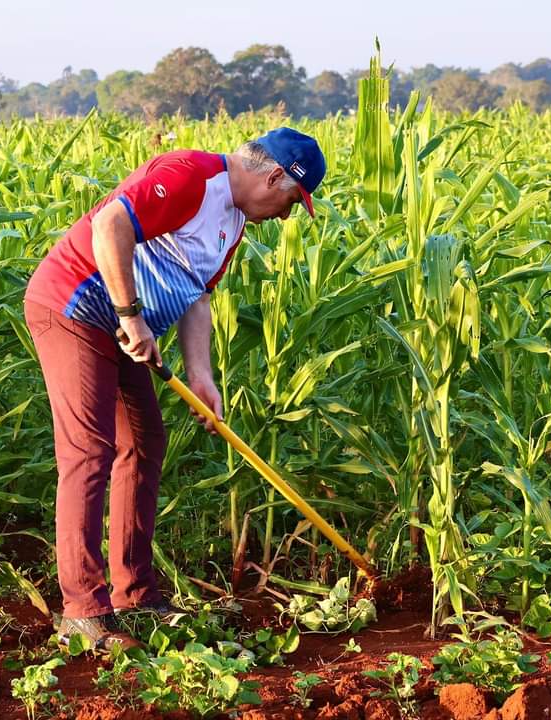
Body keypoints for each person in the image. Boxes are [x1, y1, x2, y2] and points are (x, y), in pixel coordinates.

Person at [24, 128, 326, 650]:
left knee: (144, 444)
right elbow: (110, 223)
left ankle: (136, 597)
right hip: (74, 307)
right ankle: (82, 611)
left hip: (121, 329)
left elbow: (196, 297)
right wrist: (130, 314)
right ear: (274, 175)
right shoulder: (192, 175)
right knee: (89, 451)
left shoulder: (233, 224)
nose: (287, 215)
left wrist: (201, 375)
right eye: (292, 201)